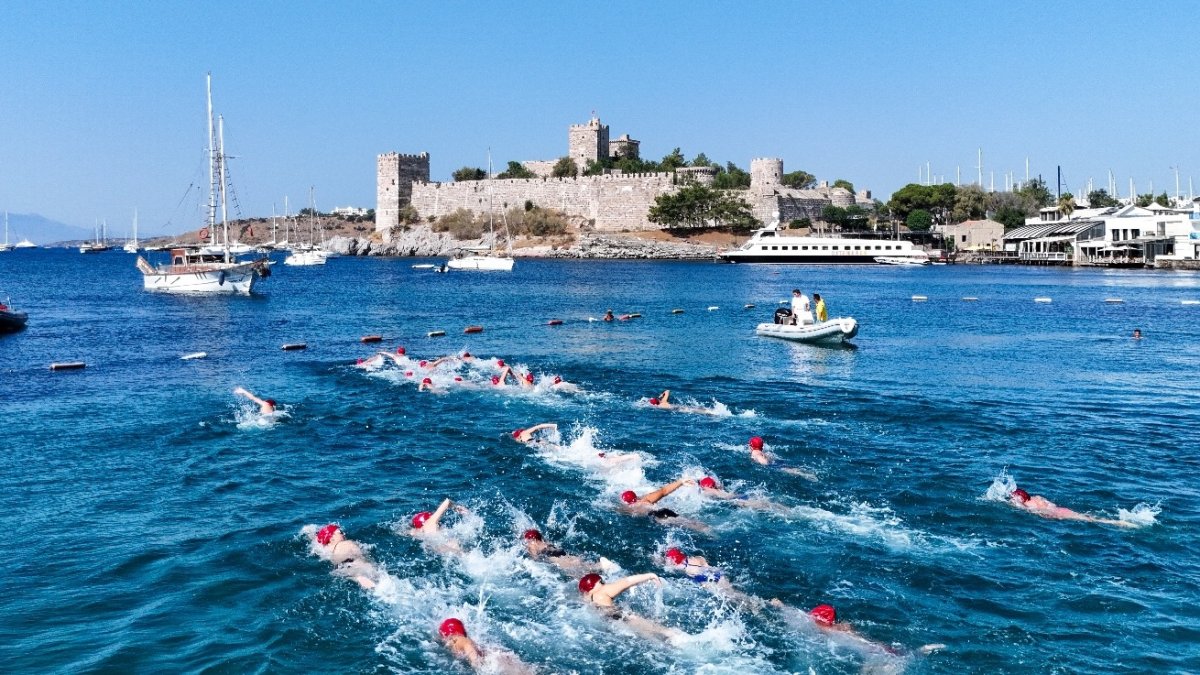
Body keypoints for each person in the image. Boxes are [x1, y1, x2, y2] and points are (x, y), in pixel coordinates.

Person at [578, 572, 684, 642]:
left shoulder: (588, 598)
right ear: (597, 583)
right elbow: (626, 581)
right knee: (665, 632)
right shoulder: (602, 590)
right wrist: (650, 576)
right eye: (602, 581)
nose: (605, 583)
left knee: (651, 639)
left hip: (609, 622)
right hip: (620, 617)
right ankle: (680, 639)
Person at [437, 618, 533, 674]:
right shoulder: (460, 639)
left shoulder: (458, 640)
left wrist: (478, 666)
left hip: (494, 662)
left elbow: (470, 649)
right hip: (497, 657)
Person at [1009, 488, 1135, 527]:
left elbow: (1024, 509)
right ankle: (1118, 521)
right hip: (1061, 509)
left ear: (1020, 498)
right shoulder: (1037, 497)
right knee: (1087, 517)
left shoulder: (1025, 504)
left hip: (1057, 514)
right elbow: (1051, 505)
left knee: (1091, 520)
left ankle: (1119, 522)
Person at [619, 478, 710, 532]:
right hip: (664, 511)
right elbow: (663, 491)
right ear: (636, 497)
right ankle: (707, 529)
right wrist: (681, 482)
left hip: (659, 517)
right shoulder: (645, 499)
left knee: (689, 525)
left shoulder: (629, 509)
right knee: (691, 522)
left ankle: (708, 531)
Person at [314, 524, 377, 589]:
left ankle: (358, 578)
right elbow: (361, 554)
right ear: (331, 539)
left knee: (353, 576)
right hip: (353, 564)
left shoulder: (325, 551)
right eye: (340, 533)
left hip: (339, 569)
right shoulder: (346, 543)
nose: (343, 534)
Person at [697, 476, 788, 513]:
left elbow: (726, 496)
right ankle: (787, 510)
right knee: (768, 504)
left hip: (738, 500)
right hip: (740, 497)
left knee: (766, 506)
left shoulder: (708, 491)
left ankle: (788, 512)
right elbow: (726, 495)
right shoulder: (712, 490)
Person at [521, 529, 593, 573]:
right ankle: (598, 566)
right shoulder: (546, 542)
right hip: (560, 552)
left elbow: (535, 558)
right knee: (578, 562)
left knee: (574, 571)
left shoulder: (533, 545)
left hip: (549, 555)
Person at [747, 436, 818, 481]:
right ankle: (806, 472)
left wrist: (766, 465)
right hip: (775, 462)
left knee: (785, 470)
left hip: (770, 465)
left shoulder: (754, 453)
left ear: (751, 446)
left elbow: (763, 462)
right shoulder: (764, 452)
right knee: (787, 468)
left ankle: (805, 475)